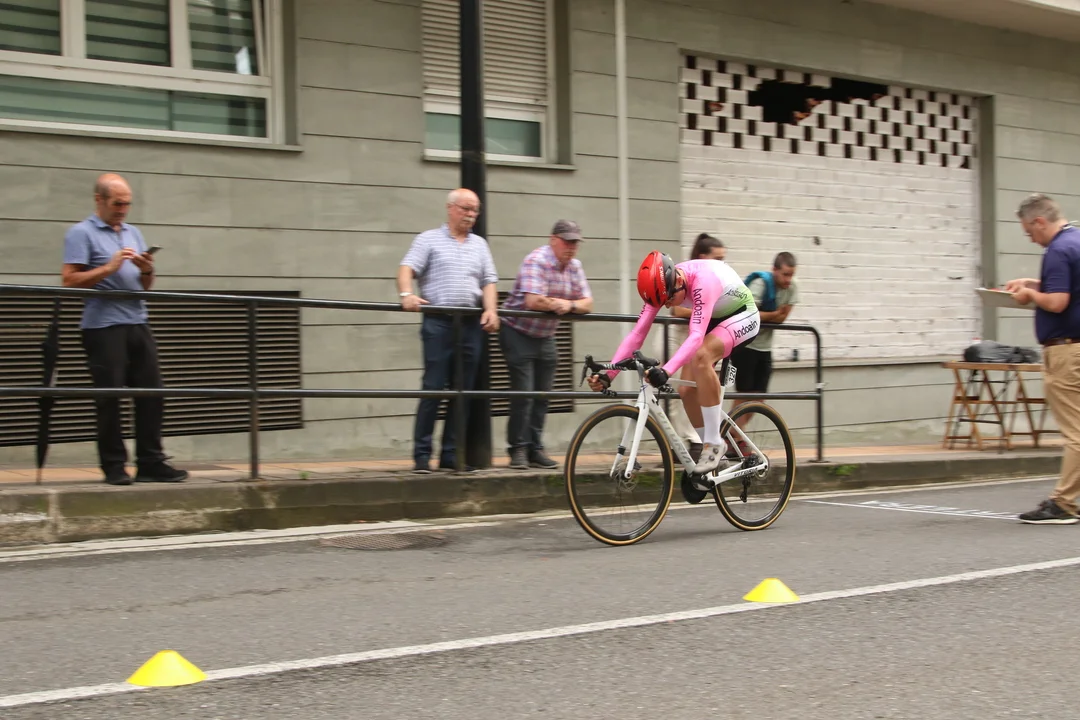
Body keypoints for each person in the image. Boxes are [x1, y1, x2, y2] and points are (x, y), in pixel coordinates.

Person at [587, 250, 759, 504]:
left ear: (677, 280)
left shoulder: (703, 281)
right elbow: (637, 335)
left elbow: (696, 336)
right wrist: (608, 374)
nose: (667, 305)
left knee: (701, 357)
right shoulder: (661, 287)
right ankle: (710, 451)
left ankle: (714, 443)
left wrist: (666, 371)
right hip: (713, 319)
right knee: (686, 391)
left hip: (741, 316)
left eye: (668, 299)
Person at [61, 173, 188, 486]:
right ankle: (114, 466)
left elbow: (145, 285)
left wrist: (147, 270)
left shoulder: (133, 232)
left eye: (127, 204)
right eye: (117, 204)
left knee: (152, 394)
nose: (123, 210)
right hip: (103, 326)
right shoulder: (81, 233)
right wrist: (109, 267)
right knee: (110, 398)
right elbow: (69, 280)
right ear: (99, 200)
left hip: (137, 321)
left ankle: (151, 462)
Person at [398, 188, 499, 474]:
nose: (470, 214)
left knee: (462, 391)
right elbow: (406, 268)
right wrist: (406, 294)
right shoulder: (428, 239)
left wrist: (491, 310)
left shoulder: (480, 245)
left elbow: (489, 281)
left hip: (470, 323)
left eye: (475, 210)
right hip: (438, 321)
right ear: (450, 208)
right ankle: (421, 455)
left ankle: (452, 455)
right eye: (466, 208)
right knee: (433, 387)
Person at [1008, 194, 1080, 524]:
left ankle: (1064, 504)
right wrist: (1033, 283)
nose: (1031, 239)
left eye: (1029, 232)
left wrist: (1029, 295)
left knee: (1075, 432)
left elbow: (1058, 302)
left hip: (1066, 350)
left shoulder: (1057, 250)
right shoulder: (1076, 241)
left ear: (1039, 221)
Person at [500, 220, 593, 470]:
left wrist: (569, 305)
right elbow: (533, 301)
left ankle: (535, 448)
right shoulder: (536, 260)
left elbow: (588, 303)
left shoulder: (575, 266)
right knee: (524, 394)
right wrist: (558, 304)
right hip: (517, 331)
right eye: (567, 241)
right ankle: (518, 449)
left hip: (545, 334)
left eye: (575, 243)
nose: (571, 247)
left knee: (543, 394)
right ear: (553, 240)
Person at [656, 233, 726, 462]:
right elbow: (677, 310)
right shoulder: (686, 275)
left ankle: (695, 442)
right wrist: (707, 311)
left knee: (694, 390)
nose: (722, 263)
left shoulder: (713, 279)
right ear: (702, 257)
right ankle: (679, 444)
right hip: (675, 338)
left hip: (695, 340)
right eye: (718, 258)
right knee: (678, 392)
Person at [729, 252, 799, 429]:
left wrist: (766, 315)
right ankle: (733, 435)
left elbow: (782, 318)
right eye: (785, 274)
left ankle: (734, 434)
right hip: (745, 345)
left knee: (759, 397)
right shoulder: (760, 284)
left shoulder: (792, 287)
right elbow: (748, 313)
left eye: (791, 275)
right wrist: (774, 314)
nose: (788, 280)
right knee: (743, 395)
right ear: (774, 270)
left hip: (765, 347)